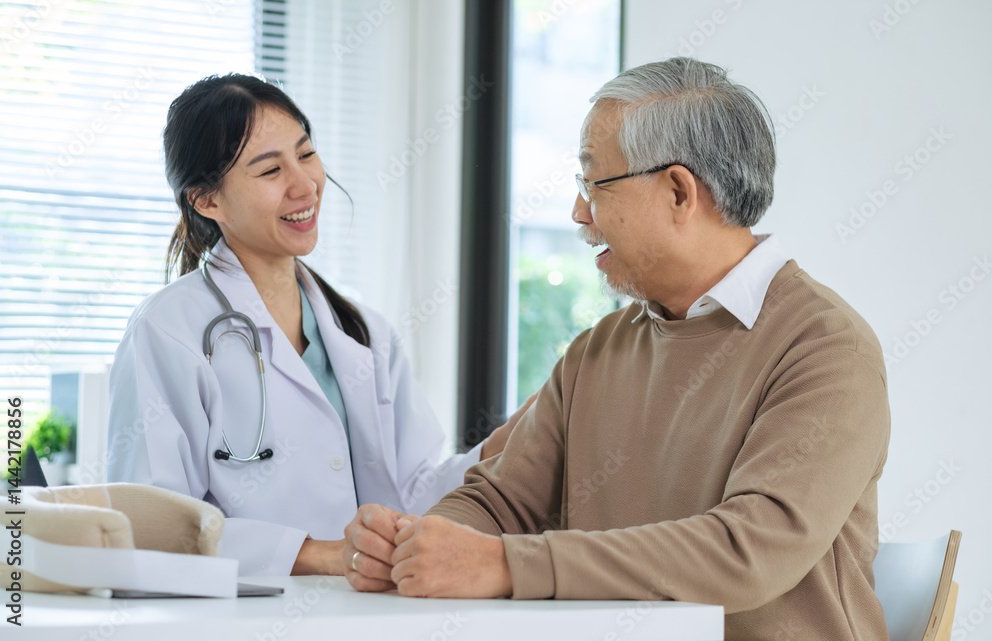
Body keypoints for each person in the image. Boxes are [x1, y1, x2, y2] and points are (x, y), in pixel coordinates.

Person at [342, 58, 891, 641]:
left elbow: (748, 551)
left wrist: (507, 565)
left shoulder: (826, 350)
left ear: (679, 191)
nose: (579, 213)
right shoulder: (598, 350)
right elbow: (500, 501)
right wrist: (418, 545)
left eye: (594, 183)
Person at [107, 74, 521, 577]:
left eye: (306, 155)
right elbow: (154, 526)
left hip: (366, 612)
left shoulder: (361, 331)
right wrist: (321, 554)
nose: (304, 186)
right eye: (269, 171)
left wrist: (514, 439)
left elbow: (409, 493)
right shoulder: (167, 331)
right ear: (207, 201)